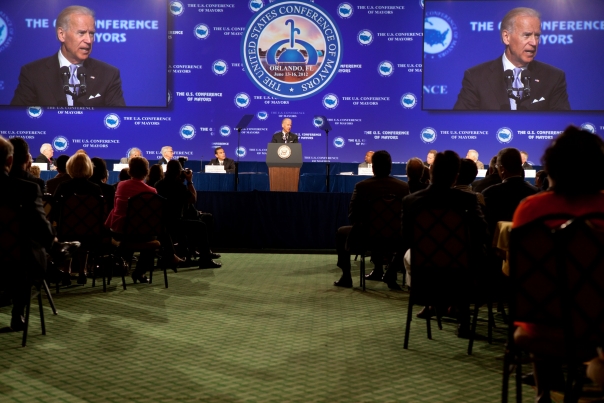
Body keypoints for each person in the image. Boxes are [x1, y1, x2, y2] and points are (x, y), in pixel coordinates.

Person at [512, 126, 604, 403]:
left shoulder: (529, 209)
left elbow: (525, 279)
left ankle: (544, 394)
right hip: (599, 327)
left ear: (551, 166)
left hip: (543, 325)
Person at [398, 151, 489, 336]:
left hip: (424, 268)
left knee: (410, 254)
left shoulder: (410, 201)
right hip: (462, 271)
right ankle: (462, 318)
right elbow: (482, 233)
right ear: (456, 177)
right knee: (473, 253)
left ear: (430, 170)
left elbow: (406, 239)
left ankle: (430, 299)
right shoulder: (468, 200)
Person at [453, 7, 570, 111]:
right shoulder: (476, 77)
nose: (534, 42)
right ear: (506, 37)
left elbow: (562, 124)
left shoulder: (553, 77)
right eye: (527, 35)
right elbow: (461, 123)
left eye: (537, 36)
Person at [10, 6, 125, 107]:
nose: (89, 40)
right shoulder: (33, 73)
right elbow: (18, 120)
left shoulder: (108, 74)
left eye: (91, 33)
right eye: (81, 33)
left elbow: (118, 120)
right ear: (62, 34)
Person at [0, 136, 55, 332]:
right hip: (19, 261)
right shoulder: (28, 188)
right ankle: (18, 313)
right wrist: (53, 244)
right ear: (9, 160)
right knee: (30, 251)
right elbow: (42, 229)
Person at [334, 150, 410, 288]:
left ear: (373, 167)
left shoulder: (362, 187)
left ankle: (346, 277)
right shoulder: (404, 188)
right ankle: (388, 271)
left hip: (367, 237)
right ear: (390, 167)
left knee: (341, 232)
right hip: (397, 239)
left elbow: (352, 215)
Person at [155, 160, 221, 269]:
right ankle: (205, 260)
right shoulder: (178, 185)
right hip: (174, 223)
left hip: (160, 223)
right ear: (178, 172)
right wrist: (189, 181)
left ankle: (193, 252)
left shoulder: (158, 184)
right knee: (201, 226)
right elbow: (193, 199)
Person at [482, 148, 538, 234]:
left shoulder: (489, 193)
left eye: (497, 167)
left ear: (502, 169)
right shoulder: (536, 194)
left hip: (495, 245)